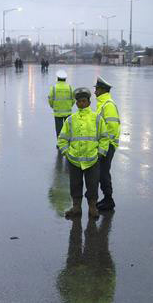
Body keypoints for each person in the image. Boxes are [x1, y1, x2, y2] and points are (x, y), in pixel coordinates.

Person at [57, 87, 109, 219]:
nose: (81, 103)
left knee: (92, 186)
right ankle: (76, 207)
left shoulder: (97, 119)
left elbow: (104, 137)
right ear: (76, 103)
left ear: (89, 102)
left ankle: (92, 208)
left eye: (84, 101)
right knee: (75, 185)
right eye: (79, 101)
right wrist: (67, 153)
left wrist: (100, 154)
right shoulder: (70, 120)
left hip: (92, 160)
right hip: (75, 160)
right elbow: (62, 139)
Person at [93, 76, 120, 211]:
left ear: (102, 90)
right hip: (103, 145)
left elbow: (112, 128)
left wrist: (104, 145)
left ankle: (109, 200)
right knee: (101, 173)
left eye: (96, 89)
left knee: (103, 173)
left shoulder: (108, 105)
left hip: (107, 146)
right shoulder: (102, 104)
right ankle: (106, 198)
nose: (94, 92)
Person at [48, 69, 75, 140]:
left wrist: (52, 106)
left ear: (57, 78)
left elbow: (50, 99)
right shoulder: (70, 87)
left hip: (57, 113)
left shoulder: (54, 88)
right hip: (68, 112)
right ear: (65, 79)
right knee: (68, 129)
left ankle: (60, 143)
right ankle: (68, 141)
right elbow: (73, 99)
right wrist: (70, 105)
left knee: (59, 129)